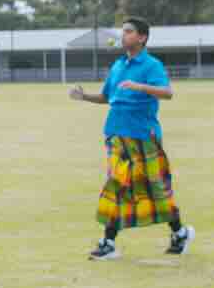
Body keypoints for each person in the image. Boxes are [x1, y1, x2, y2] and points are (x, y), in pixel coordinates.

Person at [68, 17, 194, 260]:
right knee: (116, 185)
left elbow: (167, 93)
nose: (123, 35)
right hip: (116, 134)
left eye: (128, 31)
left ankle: (180, 233)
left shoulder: (151, 65)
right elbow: (107, 97)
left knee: (156, 187)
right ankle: (108, 243)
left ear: (142, 37)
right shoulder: (118, 66)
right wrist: (83, 97)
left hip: (143, 136)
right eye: (122, 31)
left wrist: (140, 86)